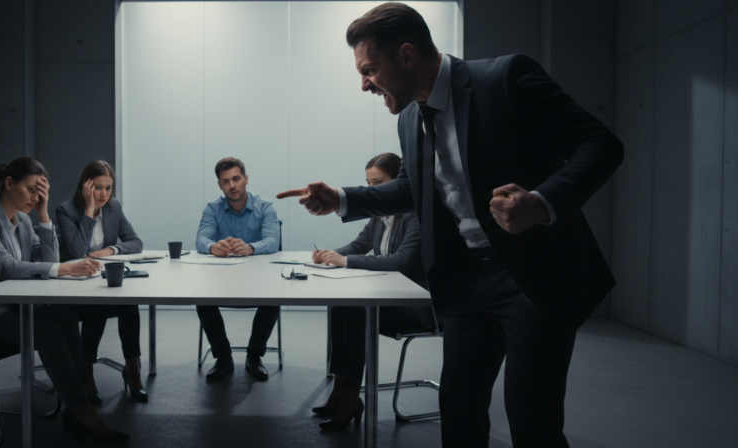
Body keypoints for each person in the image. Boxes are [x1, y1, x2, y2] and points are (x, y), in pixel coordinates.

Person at [277, 3, 623, 447]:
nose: (363, 83)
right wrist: (342, 198)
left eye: (369, 69)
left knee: (531, 421)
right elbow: (409, 188)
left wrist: (542, 202)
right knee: (458, 413)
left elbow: (600, 143)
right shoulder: (407, 118)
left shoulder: (505, 79)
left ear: (405, 56)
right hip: (462, 284)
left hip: (532, 278)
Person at [0, 157, 130, 444]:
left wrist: (44, 216)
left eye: (41, 193)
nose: (36, 198)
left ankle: (77, 398)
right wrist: (66, 268)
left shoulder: (22, 221)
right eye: (32, 190)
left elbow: (48, 261)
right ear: (9, 183)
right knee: (46, 332)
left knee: (65, 316)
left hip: (5, 311)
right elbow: (6, 267)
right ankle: (85, 415)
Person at [310, 152, 435, 431]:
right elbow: (357, 246)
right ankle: (341, 390)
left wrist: (346, 261)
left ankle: (352, 397)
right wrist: (328, 254)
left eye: (379, 183)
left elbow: (402, 261)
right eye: (369, 184)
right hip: (392, 299)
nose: (374, 191)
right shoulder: (378, 215)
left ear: (398, 183)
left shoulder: (415, 214)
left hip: (418, 307)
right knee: (340, 304)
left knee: (357, 313)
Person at [56, 160, 147, 403]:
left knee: (130, 304)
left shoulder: (113, 207)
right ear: (86, 186)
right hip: (74, 286)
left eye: (108, 188)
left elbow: (136, 242)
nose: (104, 194)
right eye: (98, 188)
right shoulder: (66, 210)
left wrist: (112, 249)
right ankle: (87, 376)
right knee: (97, 307)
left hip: (100, 278)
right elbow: (76, 251)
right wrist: (88, 211)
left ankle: (133, 371)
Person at [195, 157, 281, 382]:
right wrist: (212, 246)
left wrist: (251, 247)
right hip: (221, 279)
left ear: (246, 179)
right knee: (202, 299)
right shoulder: (213, 208)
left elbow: (273, 240)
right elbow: (201, 239)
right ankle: (223, 358)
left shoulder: (265, 207)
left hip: (258, 279)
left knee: (274, 298)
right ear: (220, 185)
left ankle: (254, 356)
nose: (231, 185)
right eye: (225, 181)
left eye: (236, 179)